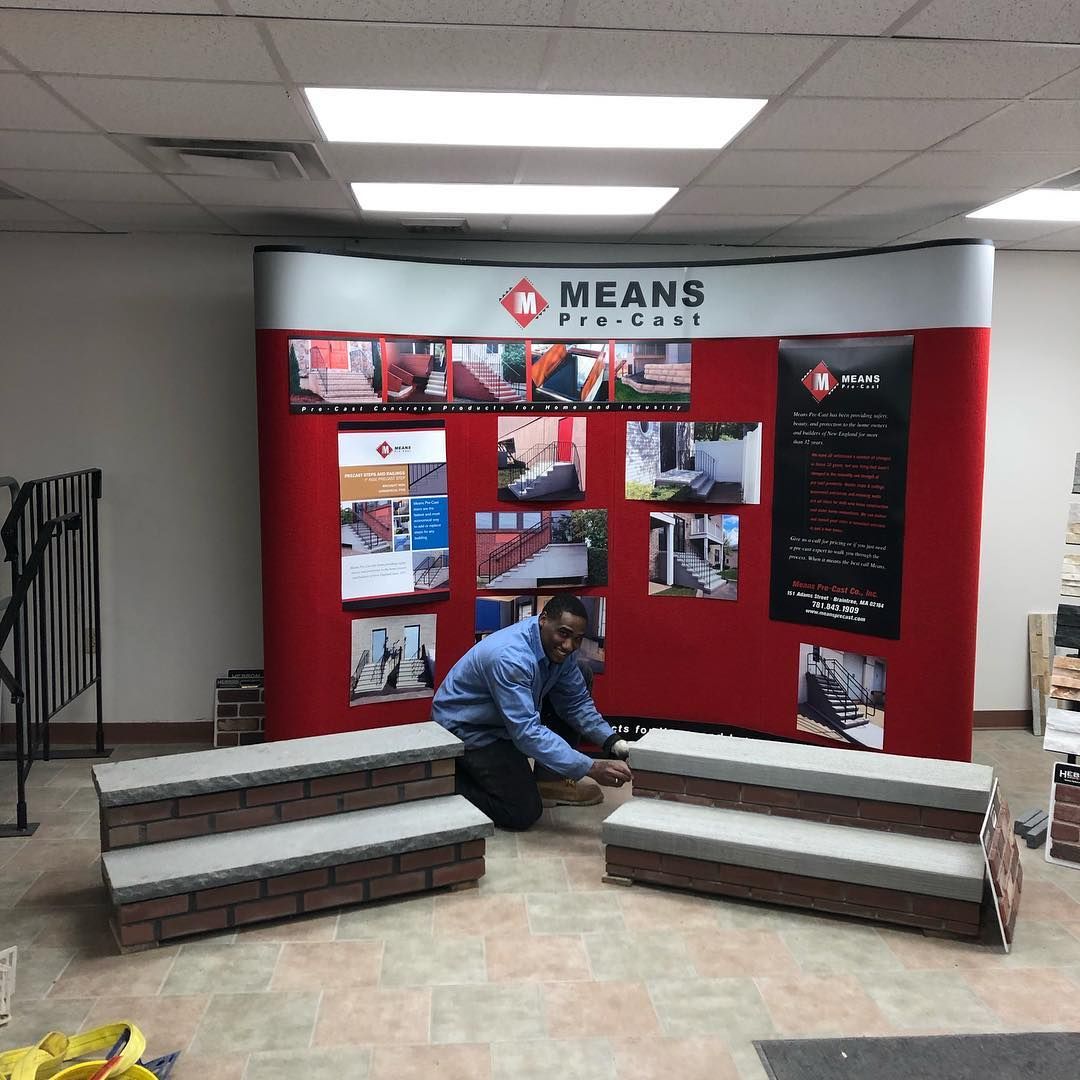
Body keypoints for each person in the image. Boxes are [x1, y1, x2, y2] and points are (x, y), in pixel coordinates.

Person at [431, 594, 632, 830]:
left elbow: (575, 702)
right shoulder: (510, 658)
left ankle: (550, 780)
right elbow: (526, 732)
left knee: (582, 672)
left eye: (577, 639)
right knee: (522, 811)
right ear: (543, 620)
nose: (569, 645)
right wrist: (591, 768)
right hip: (468, 728)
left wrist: (613, 742)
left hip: (505, 722)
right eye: (564, 634)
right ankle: (443, 781)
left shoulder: (559, 649)